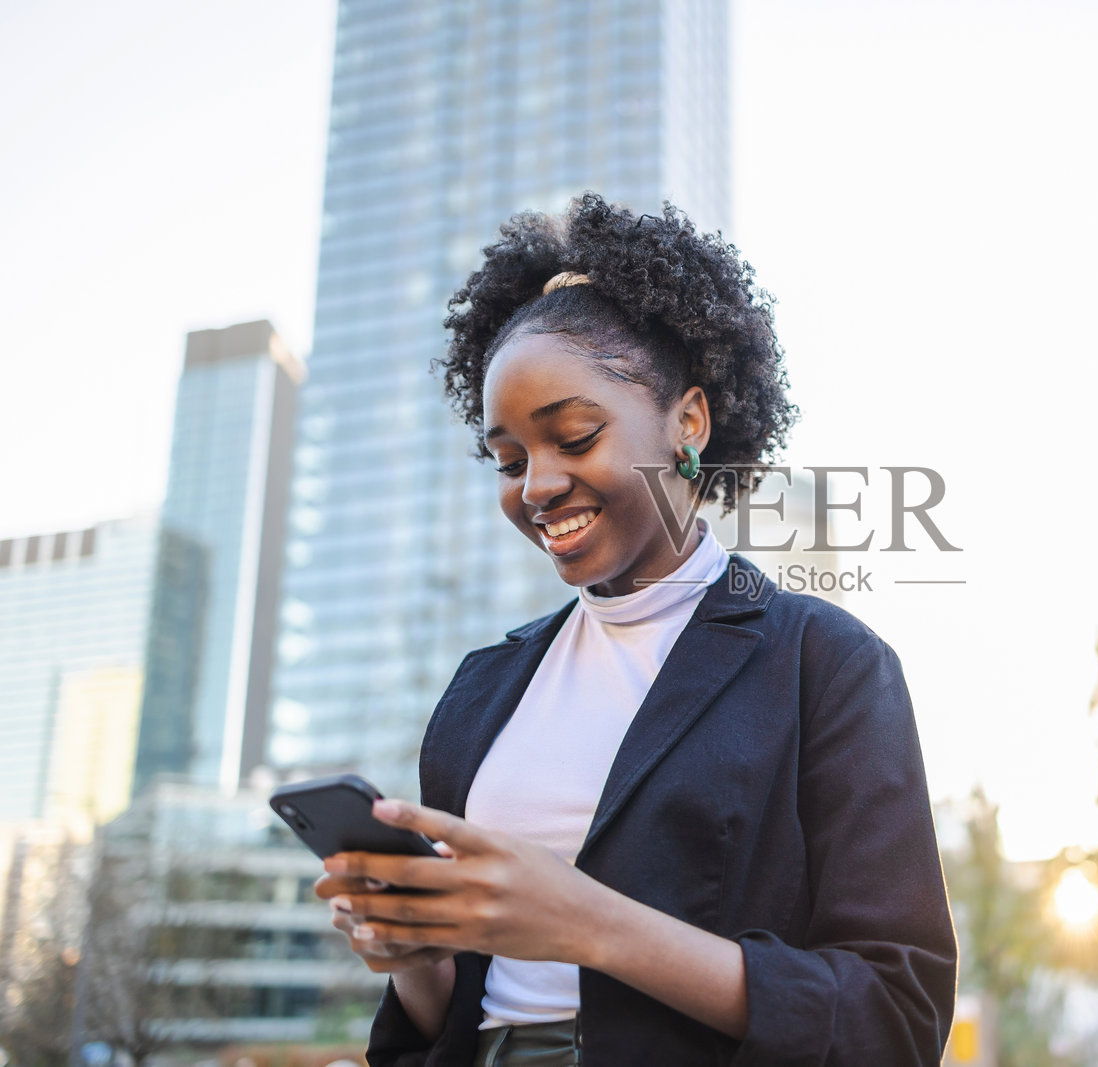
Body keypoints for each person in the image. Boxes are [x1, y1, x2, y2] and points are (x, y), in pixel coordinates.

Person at [313, 192, 958, 1066]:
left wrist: (588, 923)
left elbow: (893, 1015)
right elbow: (453, 1017)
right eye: (509, 460)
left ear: (688, 422)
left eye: (574, 437)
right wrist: (416, 958)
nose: (535, 486)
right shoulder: (480, 691)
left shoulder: (825, 664)